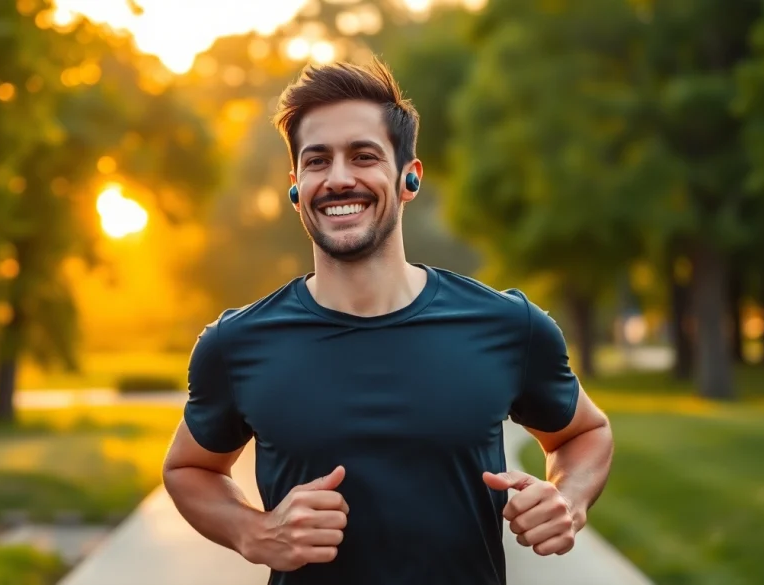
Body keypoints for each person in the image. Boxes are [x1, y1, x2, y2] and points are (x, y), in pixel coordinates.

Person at [161, 56, 614, 585]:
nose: (338, 179)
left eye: (363, 156)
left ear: (409, 177)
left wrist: (568, 499)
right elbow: (188, 468)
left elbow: (585, 433)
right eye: (317, 161)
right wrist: (252, 532)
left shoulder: (508, 326)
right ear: (296, 186)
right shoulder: (237, 344)